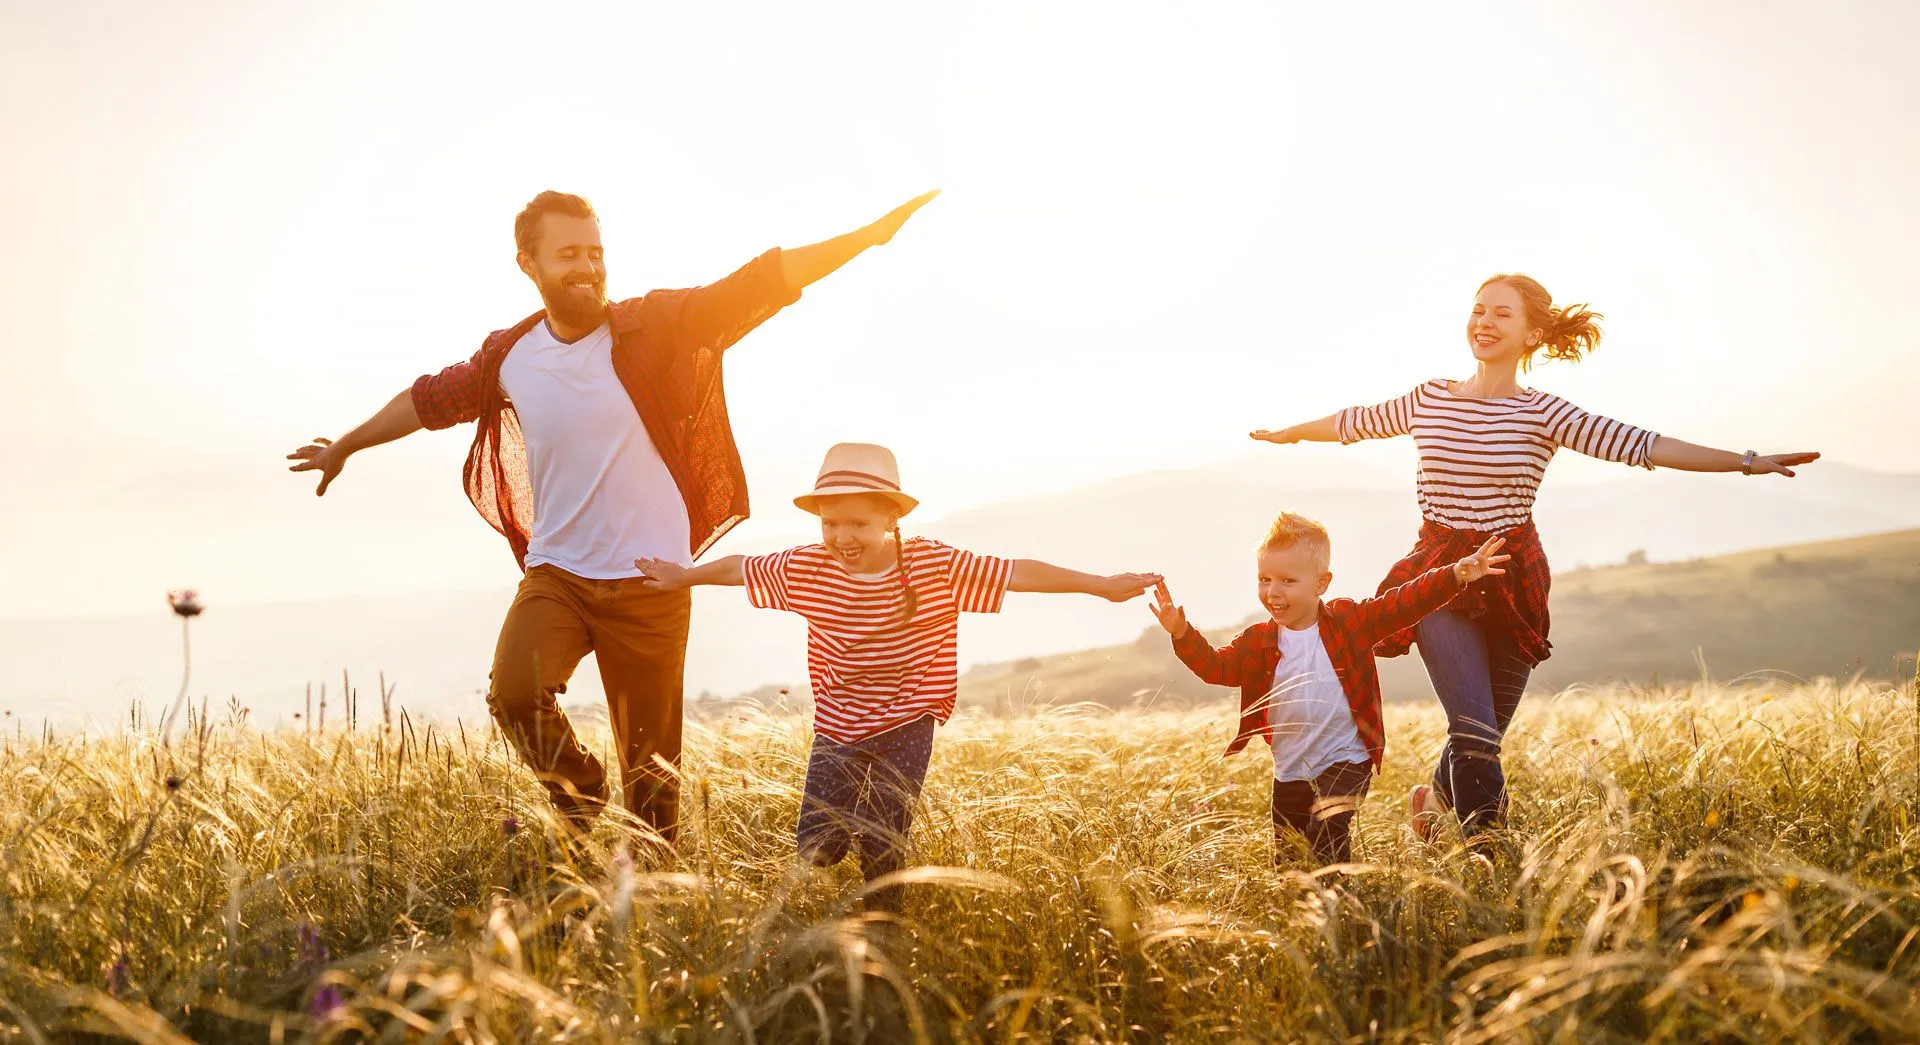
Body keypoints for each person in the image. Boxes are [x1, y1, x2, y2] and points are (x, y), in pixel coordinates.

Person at [286, 189, 939, 843]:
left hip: (651, 585)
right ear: (528, 263)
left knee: (654, 800)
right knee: (516, 694)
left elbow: (755, 284)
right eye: (568, 253)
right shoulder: (510, 356)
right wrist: (345, 444)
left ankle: (646, 911)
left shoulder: (655, 326)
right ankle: (583, 790)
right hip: (558, 574)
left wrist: (867, 237)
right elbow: (427, 400)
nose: (588, 267)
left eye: (595, 252)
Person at [1249, 274, 1820, 846]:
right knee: (1472, 731)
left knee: (1486, 734)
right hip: (1441, 575)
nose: (1484, 323)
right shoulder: (1430, 399)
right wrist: (1290, 434)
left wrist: (1748, 461)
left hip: (1513, 580)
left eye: (1501, 314)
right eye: (1478, 311)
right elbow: (1355, 422)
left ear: (1531, 334)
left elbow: (1644, 445)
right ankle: (1489, 860)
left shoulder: (1544, 413)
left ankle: (1434, 798)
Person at [633, 443, 1160, 909]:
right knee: (816, 845)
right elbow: (739, 567)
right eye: (830, 523)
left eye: (858, 523)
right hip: (838, 724)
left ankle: (883, 924)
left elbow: (1016, 572)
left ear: (891, 520)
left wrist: (1100, 585)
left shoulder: (933, 566)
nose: (842, 536)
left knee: (884, 835)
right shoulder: (805, 568)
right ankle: (809, 917)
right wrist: (685, 576)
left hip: (908, 718)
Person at [1150, 511, 1507, 865]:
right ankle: (1315, 912)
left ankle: (1340, 911)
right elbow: (1217, 668)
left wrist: (1456, 574)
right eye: (1264, 579)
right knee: (1291, 863)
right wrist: (1182, 634)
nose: (1273, 591)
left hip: (1347, 759)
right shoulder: (1257, 642)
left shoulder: (1349, 623)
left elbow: (1403, 603)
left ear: (1321, 583)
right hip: (1290, 770)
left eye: (1288, 581)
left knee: (1326, 834)